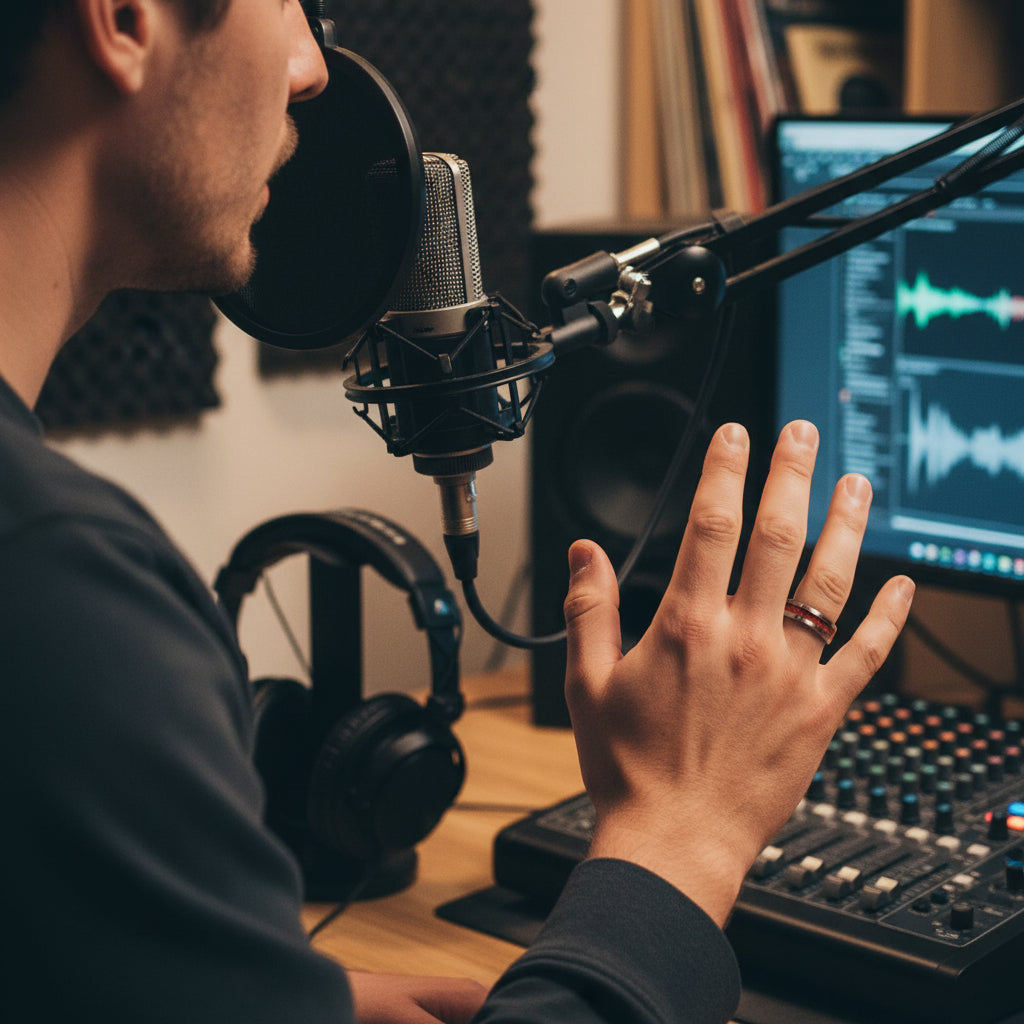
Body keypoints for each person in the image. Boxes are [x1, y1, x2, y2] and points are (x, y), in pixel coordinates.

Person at [0, 2, 914, 1022]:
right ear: (124, 18)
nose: (311, 68)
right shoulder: (57, 596)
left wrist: (256, 991)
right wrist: (684, 830)